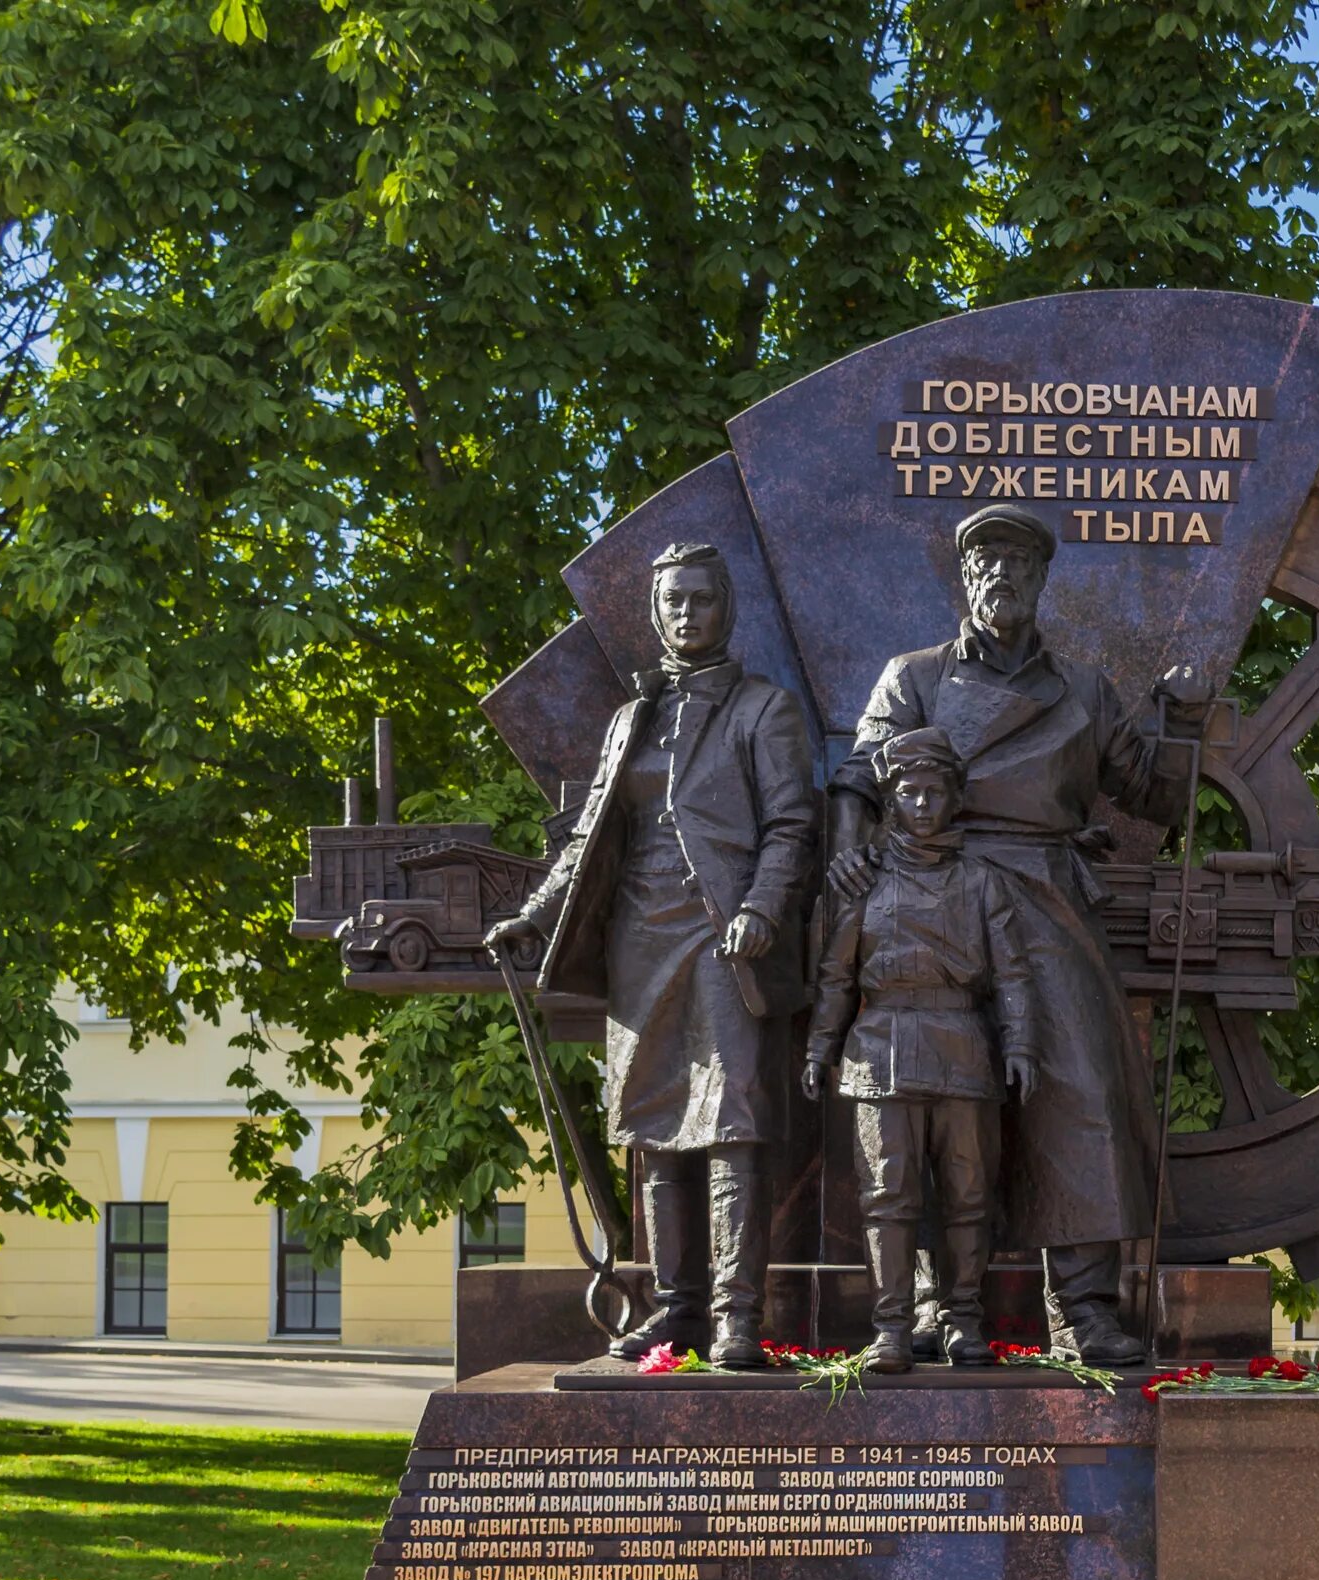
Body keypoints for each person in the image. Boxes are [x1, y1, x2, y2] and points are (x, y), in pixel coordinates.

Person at [827, 505, 1209, 1367]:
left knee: (1078, 1094)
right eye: (986, 562)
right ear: (965, 580)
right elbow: (860, 772)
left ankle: (1082, 1310)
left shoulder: (1082, 688)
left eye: (1019, 564)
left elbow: (1154, 798)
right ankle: (928, 1306)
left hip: (1048, 900)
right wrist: (851, 859)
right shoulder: (915, 675)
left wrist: (1182, 724)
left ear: (1041, 582)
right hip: (932, 892)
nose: (1001, 576)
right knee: (927, 1098)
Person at [486, 543, 819, 1368]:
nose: (686, 613)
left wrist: (761, 910)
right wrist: (533, 916)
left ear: (726, 608)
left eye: (702, 599)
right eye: (672, 600)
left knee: (734, 1124)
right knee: (658, 1130)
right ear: (654, 612)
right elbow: (591, 835)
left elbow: (792, 827)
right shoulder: (631, 719)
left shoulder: (763, 710)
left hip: (723, 940)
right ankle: (677, 1310)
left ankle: (739, 1315)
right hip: (640, 938)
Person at [803, 730, 1037, 1373]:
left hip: (964, 1050)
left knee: (969, 1196)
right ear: (890, 802)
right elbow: (836, 977)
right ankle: (892, 1328)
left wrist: (1019, 1045)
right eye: (909, 793)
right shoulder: (863, 882)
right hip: (880, 1054)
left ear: (956, 799)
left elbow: (1013, 973)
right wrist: (819, 1050)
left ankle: (963, 1320)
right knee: (889, 1197)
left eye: (936, 792)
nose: (924, 805)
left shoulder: (983, 882)